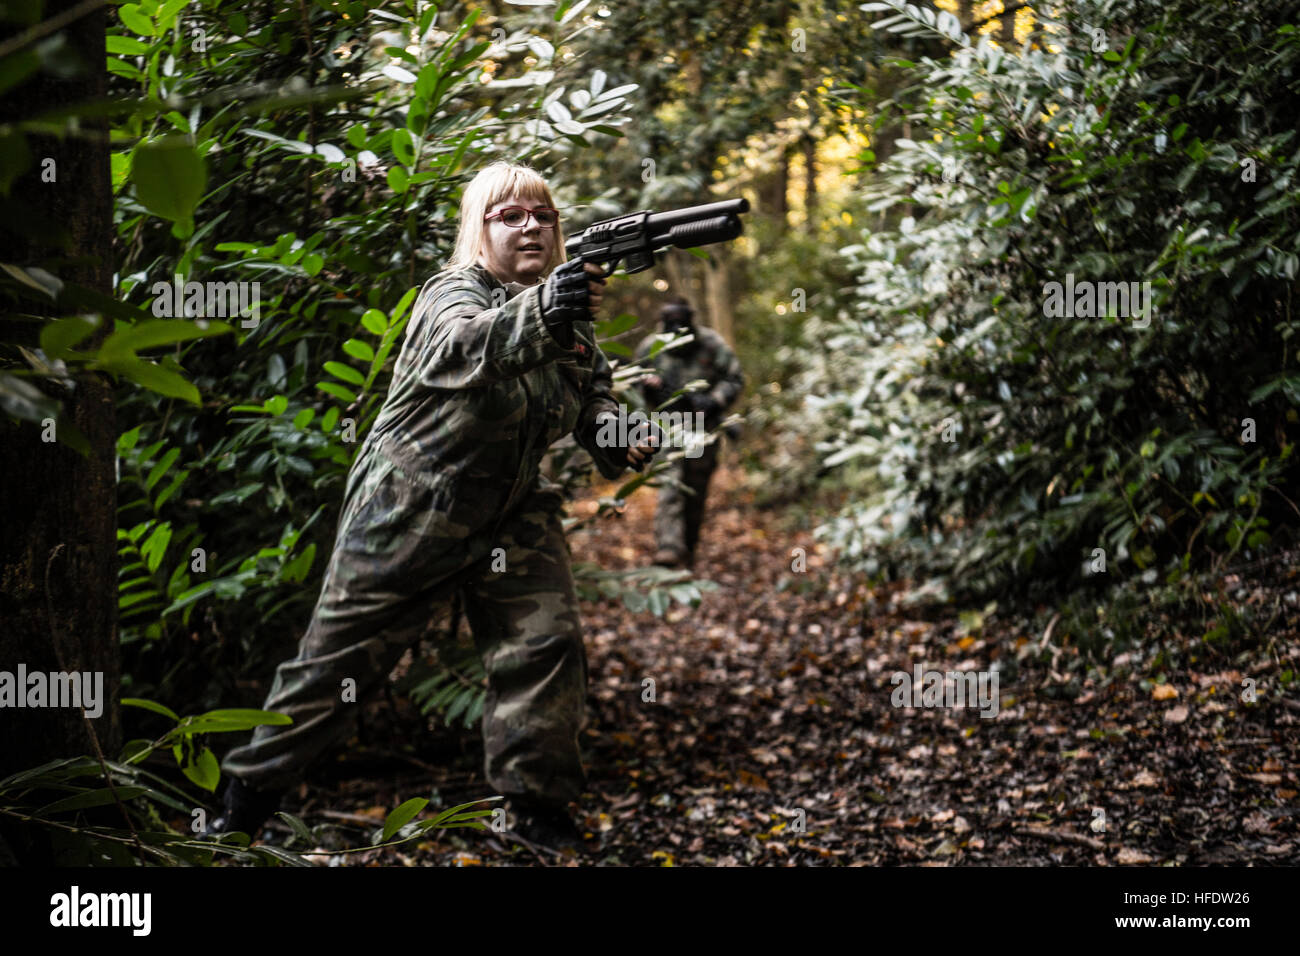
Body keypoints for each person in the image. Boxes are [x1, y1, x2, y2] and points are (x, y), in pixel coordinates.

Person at [209, 162, 661, 853]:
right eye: (508, 215)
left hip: (510, 513)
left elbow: (590, 392)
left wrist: (615, 432)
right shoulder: (451, 294)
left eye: (542, 215)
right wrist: (548, 307)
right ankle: (239, 805)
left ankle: (537, 812)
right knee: (335, 669)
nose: (530, 226)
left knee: (545, 644)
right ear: (478, 232)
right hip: (410, 510)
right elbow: (465, 348)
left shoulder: (565, 311)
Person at [635, 296, 744, 570]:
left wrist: (714, 401)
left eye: (681, 324)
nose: (676, 330)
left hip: (702, 428)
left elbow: (734, 378)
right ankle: (669, 548)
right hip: (665, 427)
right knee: (669, 486)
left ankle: (689, 547)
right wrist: (648, 390)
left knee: (695, 491)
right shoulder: (651, 348)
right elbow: (632, 389)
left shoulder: (711, 343)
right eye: (671, 324)